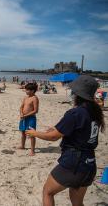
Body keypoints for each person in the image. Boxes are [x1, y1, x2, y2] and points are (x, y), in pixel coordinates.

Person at [26, 75, 104, 206]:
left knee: (47, 192)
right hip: (89, 163)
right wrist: (55, 128)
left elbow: (53, 137)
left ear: (77, 94)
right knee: (77, 202)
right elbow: (76, 130)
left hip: (74, 163)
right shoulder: (94, 111)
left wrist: (34, 133)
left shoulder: (76, 113)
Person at [18, 83, 39, 156]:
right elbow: (21, 107)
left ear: (32, 91)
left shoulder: (34, 98)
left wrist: (26, 115)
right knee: (23, 132)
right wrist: (21, 113)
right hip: (23, 117)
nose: (26, 91)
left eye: (27, 90)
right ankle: (22, 146)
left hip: (31, 118)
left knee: (31, 134)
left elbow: (35, 110)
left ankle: (32, 150)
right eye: (26, 89)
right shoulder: (25, 98)